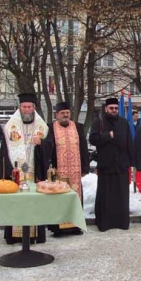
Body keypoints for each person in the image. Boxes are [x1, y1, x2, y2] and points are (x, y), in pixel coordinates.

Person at [0, 93, 51, 244]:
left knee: (34, 202)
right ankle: (13, 236)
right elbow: (4, 152)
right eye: (24, 107)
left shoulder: (42, 127)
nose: (27, 110)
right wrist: (8, 170)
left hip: (34, 172)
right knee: (16, 201)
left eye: (29, 107)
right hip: (16, 173)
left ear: (34, 108)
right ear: (19, 108)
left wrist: (41, 142)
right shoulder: (10, 127)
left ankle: (34, 235)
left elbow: (50, 147)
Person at [89, 97, 134, 232]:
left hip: (121, 165)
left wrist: (131, 161)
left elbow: (129, 143)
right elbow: (93, 139)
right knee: (106, 195)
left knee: (121, 195)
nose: (114, 110)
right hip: (106, 165)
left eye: (116, 108)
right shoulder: (99, 122)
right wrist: (107, 136)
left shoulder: (124, 123)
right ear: (106, 109)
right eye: (111, 108)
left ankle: (121, 222)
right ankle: (105, 223)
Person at [46, 101, 90, 237]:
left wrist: (85, 167)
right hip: (58, 170)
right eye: (62, 113)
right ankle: (58, 228)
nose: (65, 115)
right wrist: (49, 168)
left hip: (75, 170)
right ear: (56, 115)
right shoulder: (50, 128)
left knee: (75, 197)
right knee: (59, 197)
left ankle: (75, 226)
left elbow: (83, 148)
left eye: (67, 113)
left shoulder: (77, 127)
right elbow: (48, 149)